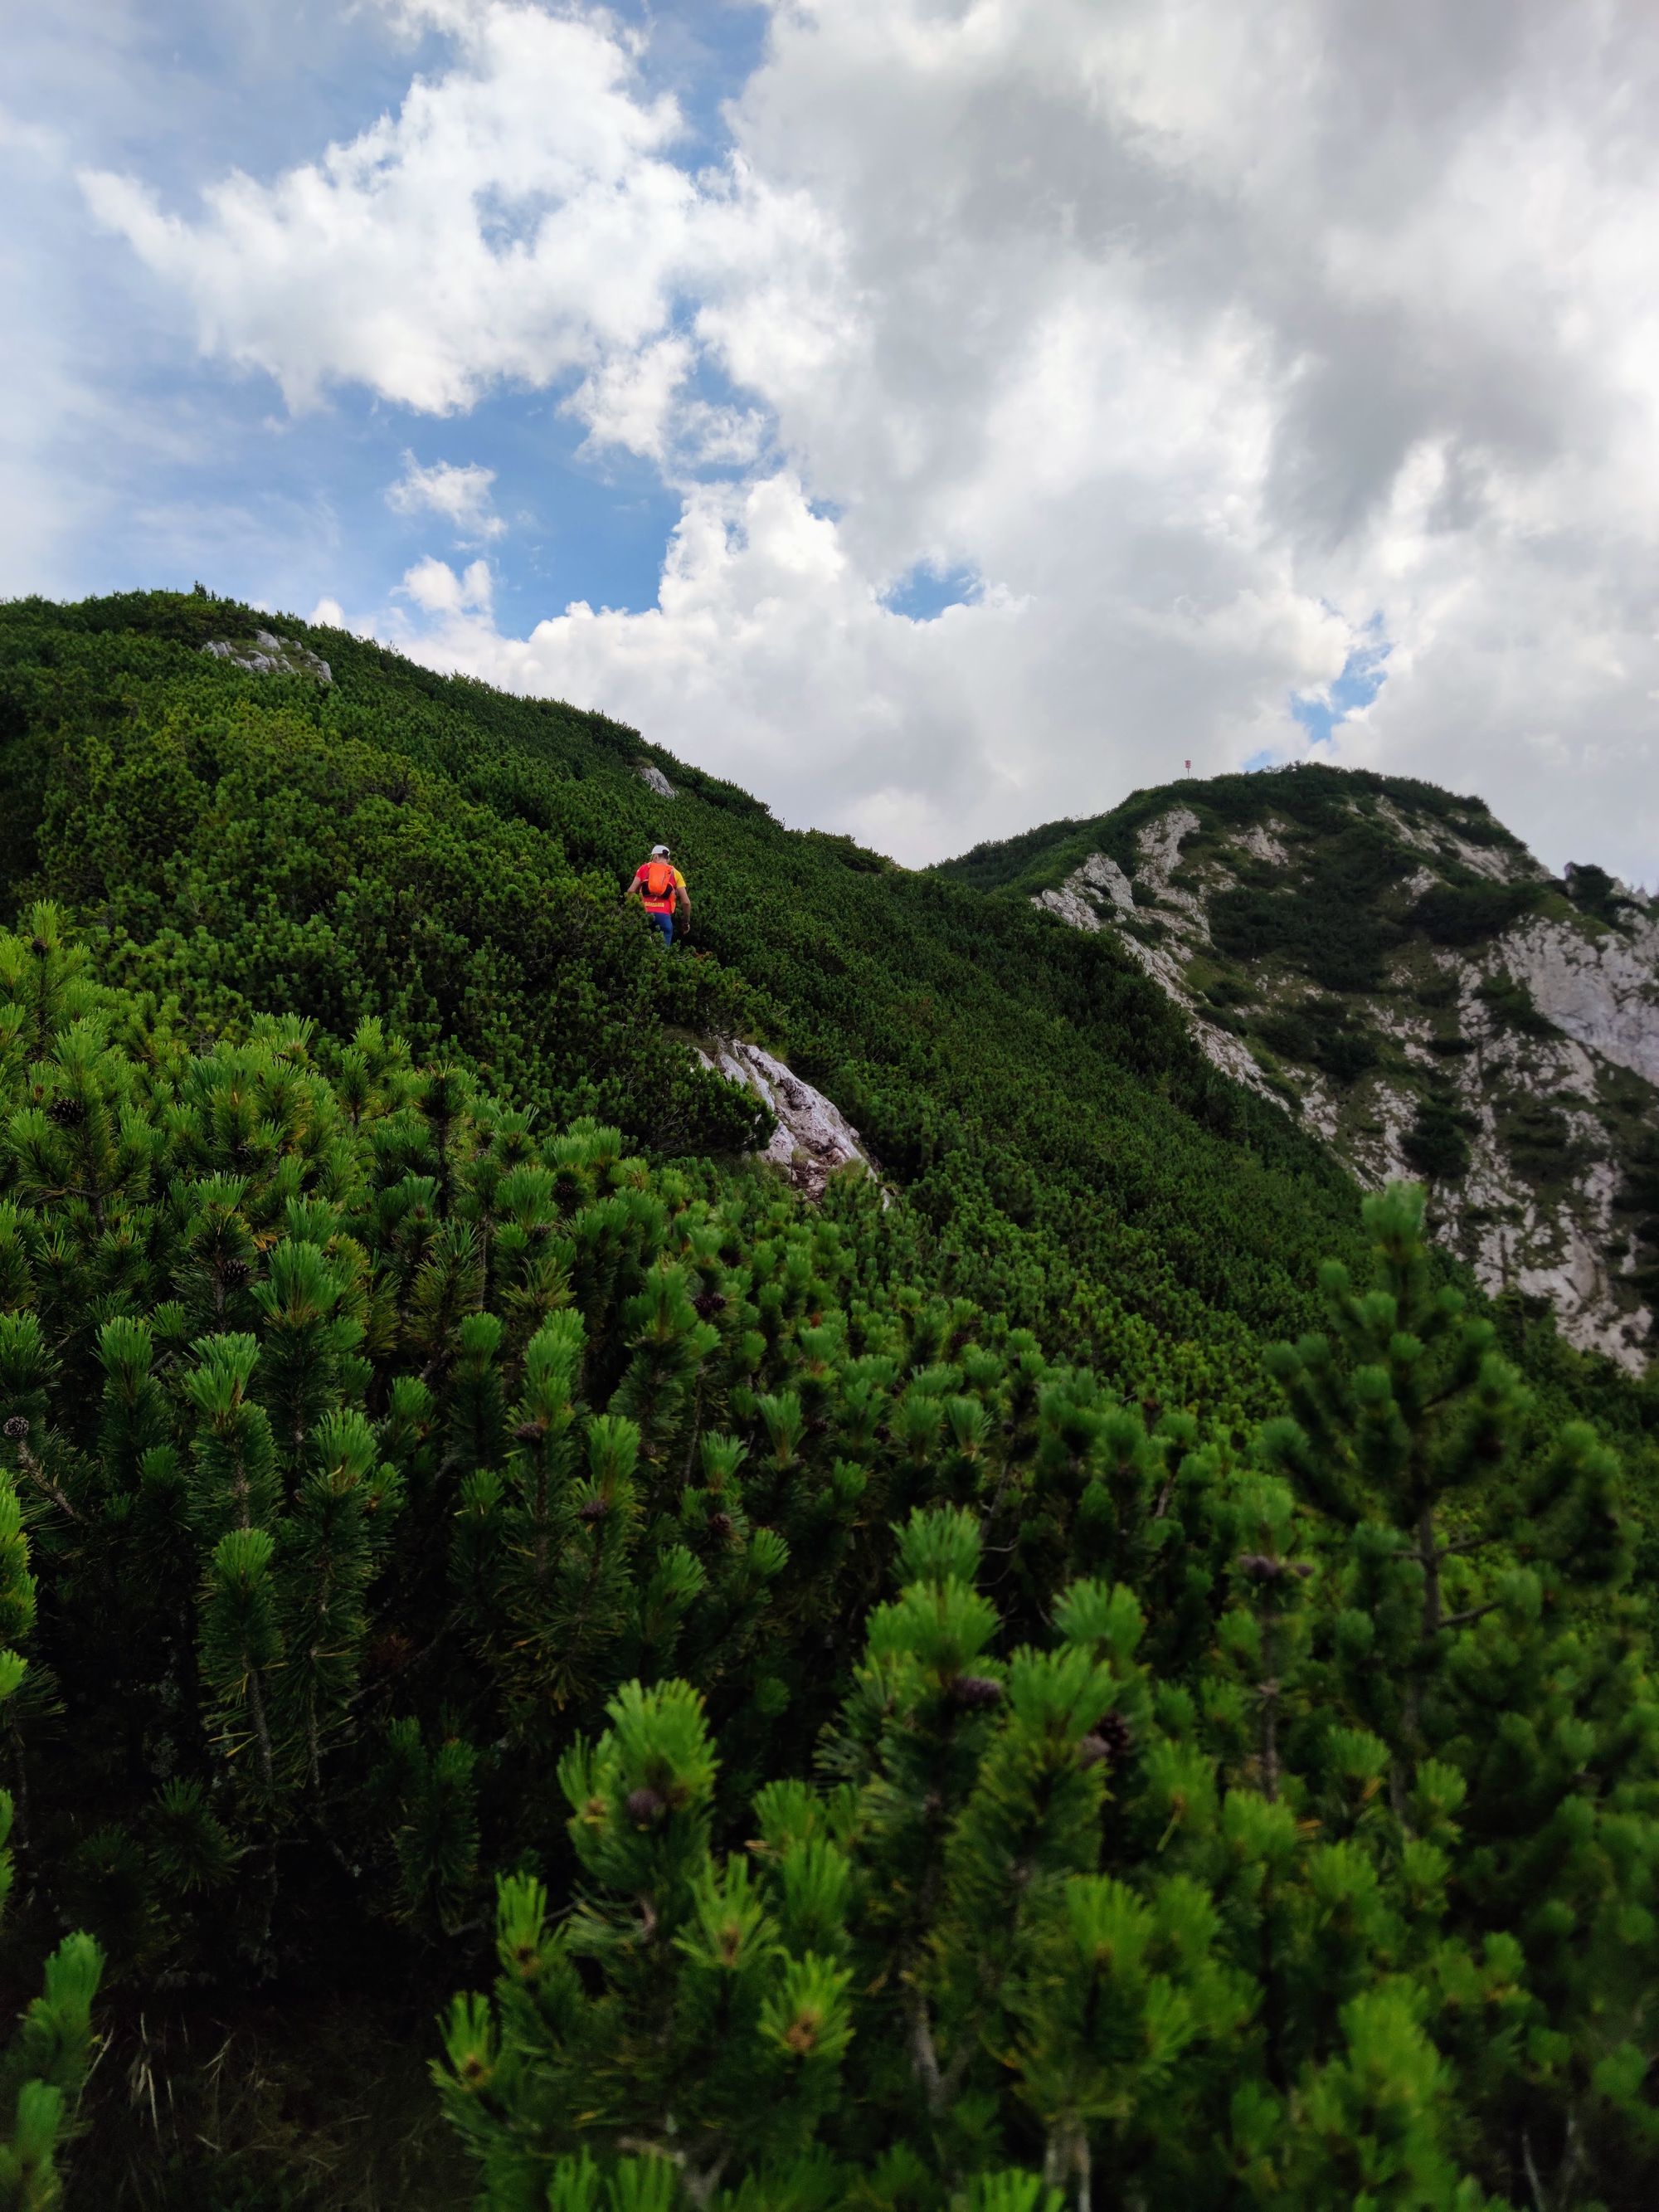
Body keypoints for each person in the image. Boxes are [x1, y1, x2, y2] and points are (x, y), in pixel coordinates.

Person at [623, 844, 691, 948]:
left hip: (644, 915)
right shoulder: (675, 873)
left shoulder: (644, 869)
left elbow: (631, 891)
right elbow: (686, 902)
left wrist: (633, 911)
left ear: (655, 856)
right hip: (664, 918)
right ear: (667, 858)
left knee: (638, 952)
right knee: (661, 958)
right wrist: (685, 922)